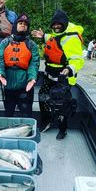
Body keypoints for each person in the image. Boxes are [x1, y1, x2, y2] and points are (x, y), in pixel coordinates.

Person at [32, 9, 84, 140]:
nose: (56, 26)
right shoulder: (56, 34)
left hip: (63, 78)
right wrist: (43, 36)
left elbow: (78, 59)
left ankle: (63, 129)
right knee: (42, 96)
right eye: (54, 24)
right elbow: (53, 39)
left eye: (59, 24)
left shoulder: (72, 38)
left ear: (64, 24)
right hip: (49, 75)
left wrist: (69, 69)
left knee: (61, 104)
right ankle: (47, 121)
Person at [0, 14, 40, 117]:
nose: (23, 25)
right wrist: (0, 73)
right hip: (8, 82)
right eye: (20, 23)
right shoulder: (5, 42)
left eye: (25, 24)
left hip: (25, 83)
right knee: (9, 112)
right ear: (15, 25)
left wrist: (32, 78)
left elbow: (34, 63)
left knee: (26, 112)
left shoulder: (31, 45)